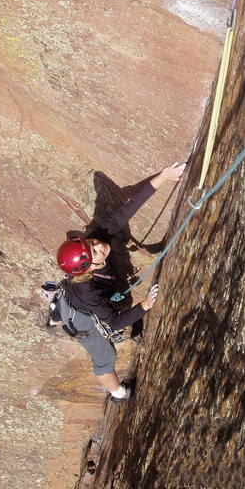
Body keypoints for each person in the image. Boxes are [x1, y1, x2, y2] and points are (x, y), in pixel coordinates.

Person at [46, 162, 186, 403]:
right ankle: (118, 394)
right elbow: (112, 322)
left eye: (92, 245)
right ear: (87, 267)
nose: (100, 246)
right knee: (104, 359)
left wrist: (163, 177)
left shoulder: (93, 241)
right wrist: (144, 306)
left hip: (81, 296)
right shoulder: (89, 292)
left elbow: (126, 211)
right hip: (83, 321)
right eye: (95, 252)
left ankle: (57, 309)